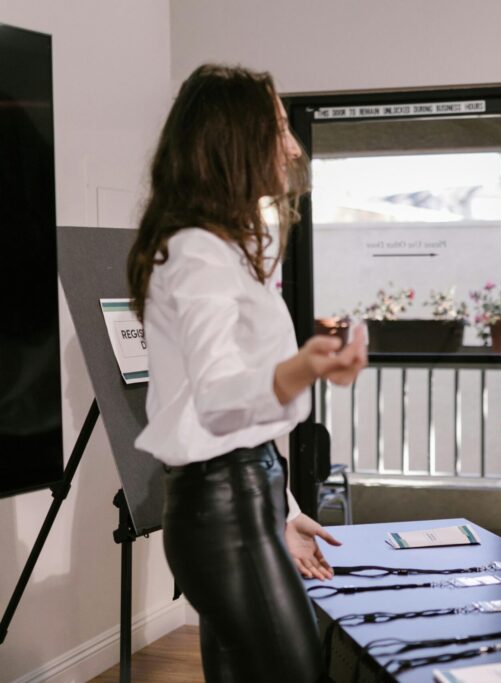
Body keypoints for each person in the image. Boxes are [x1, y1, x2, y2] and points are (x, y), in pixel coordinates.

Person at [127, 64, 368, 683]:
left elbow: (240, 432)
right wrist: (301, 369)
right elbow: (217, 398)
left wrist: (281, 511)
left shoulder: (219, 246)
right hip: (223, 512)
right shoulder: (197, 252)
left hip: (238, 501)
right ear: (235, 138)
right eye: (280, 127)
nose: (292, 145)